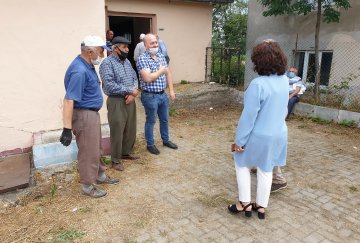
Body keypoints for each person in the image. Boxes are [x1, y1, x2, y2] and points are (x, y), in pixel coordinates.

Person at [228, 39, 288, 219]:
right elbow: (284, 108)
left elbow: (248, 118)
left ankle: (244, 203)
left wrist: (239, 142)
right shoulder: (284, 80)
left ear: (259, 61)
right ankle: (261, 207)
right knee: (266, 168)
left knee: (241, 163)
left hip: (260, 135)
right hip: (279, 132)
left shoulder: (258, 84)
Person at [59, 36, 119, 198]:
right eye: (100, 51)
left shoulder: (87, 65)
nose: (103, 55)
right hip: (84, 115)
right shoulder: (79, 70)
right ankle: (87, 186)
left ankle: (99, 175)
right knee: (87, 152)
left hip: (91, 114)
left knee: (96, 148)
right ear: (90, 51)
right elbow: (69, 100)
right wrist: (66, 128)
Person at [99, 36, 139, 171]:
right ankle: (115, 160)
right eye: (124, 47)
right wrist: (130, 90)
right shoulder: (107, 63)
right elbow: (109, 85)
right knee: (117, 130)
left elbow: (135, 77)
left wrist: (133, 93)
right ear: (115, 48)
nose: (127, 50)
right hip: (116, 101)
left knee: (130, 128)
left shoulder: (127, 61)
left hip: (130, 99)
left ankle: (126, 152)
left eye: (127, 47)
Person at [137, 33, 177, 155]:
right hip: (150, 96)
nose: (155, 45)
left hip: (162, 94)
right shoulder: (142, 58)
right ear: (145, 45)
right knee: (151, 121)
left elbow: (168, 73)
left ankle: (166, 140)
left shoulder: (161, 56)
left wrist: (171, 90)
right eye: (152, 43)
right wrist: (161, 70)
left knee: (164, 119)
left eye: (156, 42)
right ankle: (150, 144)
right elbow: (147, 78)